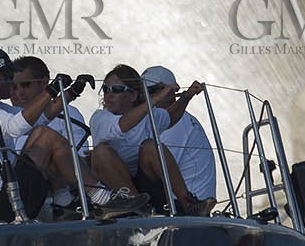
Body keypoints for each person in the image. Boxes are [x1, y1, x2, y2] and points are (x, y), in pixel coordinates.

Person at [0, 49, 139, 223]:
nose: (13, 86)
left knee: (41, 134)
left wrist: (71, 93)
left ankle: (64, 204)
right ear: (0, 78)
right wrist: (50, 90)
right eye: (11, 79)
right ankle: (102, 199)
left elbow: (38, 120)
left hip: (1, 195)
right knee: (45, 136)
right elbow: (14, 128)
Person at [87, 64, 213, 216]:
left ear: (133, 95)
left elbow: (170, 117)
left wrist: (186, 97)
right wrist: (155, 99)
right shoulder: (100, 117)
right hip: (116, 189)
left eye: (117, 89)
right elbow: (121, 125)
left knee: (150, 147)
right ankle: (137, 207)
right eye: (105, 89)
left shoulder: (148, 115)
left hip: (144, 183)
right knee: (101, 152)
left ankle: (190, 204)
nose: (109, 95)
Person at [140, 65, 218, 204]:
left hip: (188, 205)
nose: (143, 97)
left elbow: (155, 168)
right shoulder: (164, 119)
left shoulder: (178, 123)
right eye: (141, 92)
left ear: (170, 93)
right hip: (176, 199)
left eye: (149, 91)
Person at [10, 56, 90, 150]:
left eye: (25, 85)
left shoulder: (68, 112)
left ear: (44, 82)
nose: (19, 92)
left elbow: (79, 153)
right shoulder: (6, 115)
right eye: (14, 87)